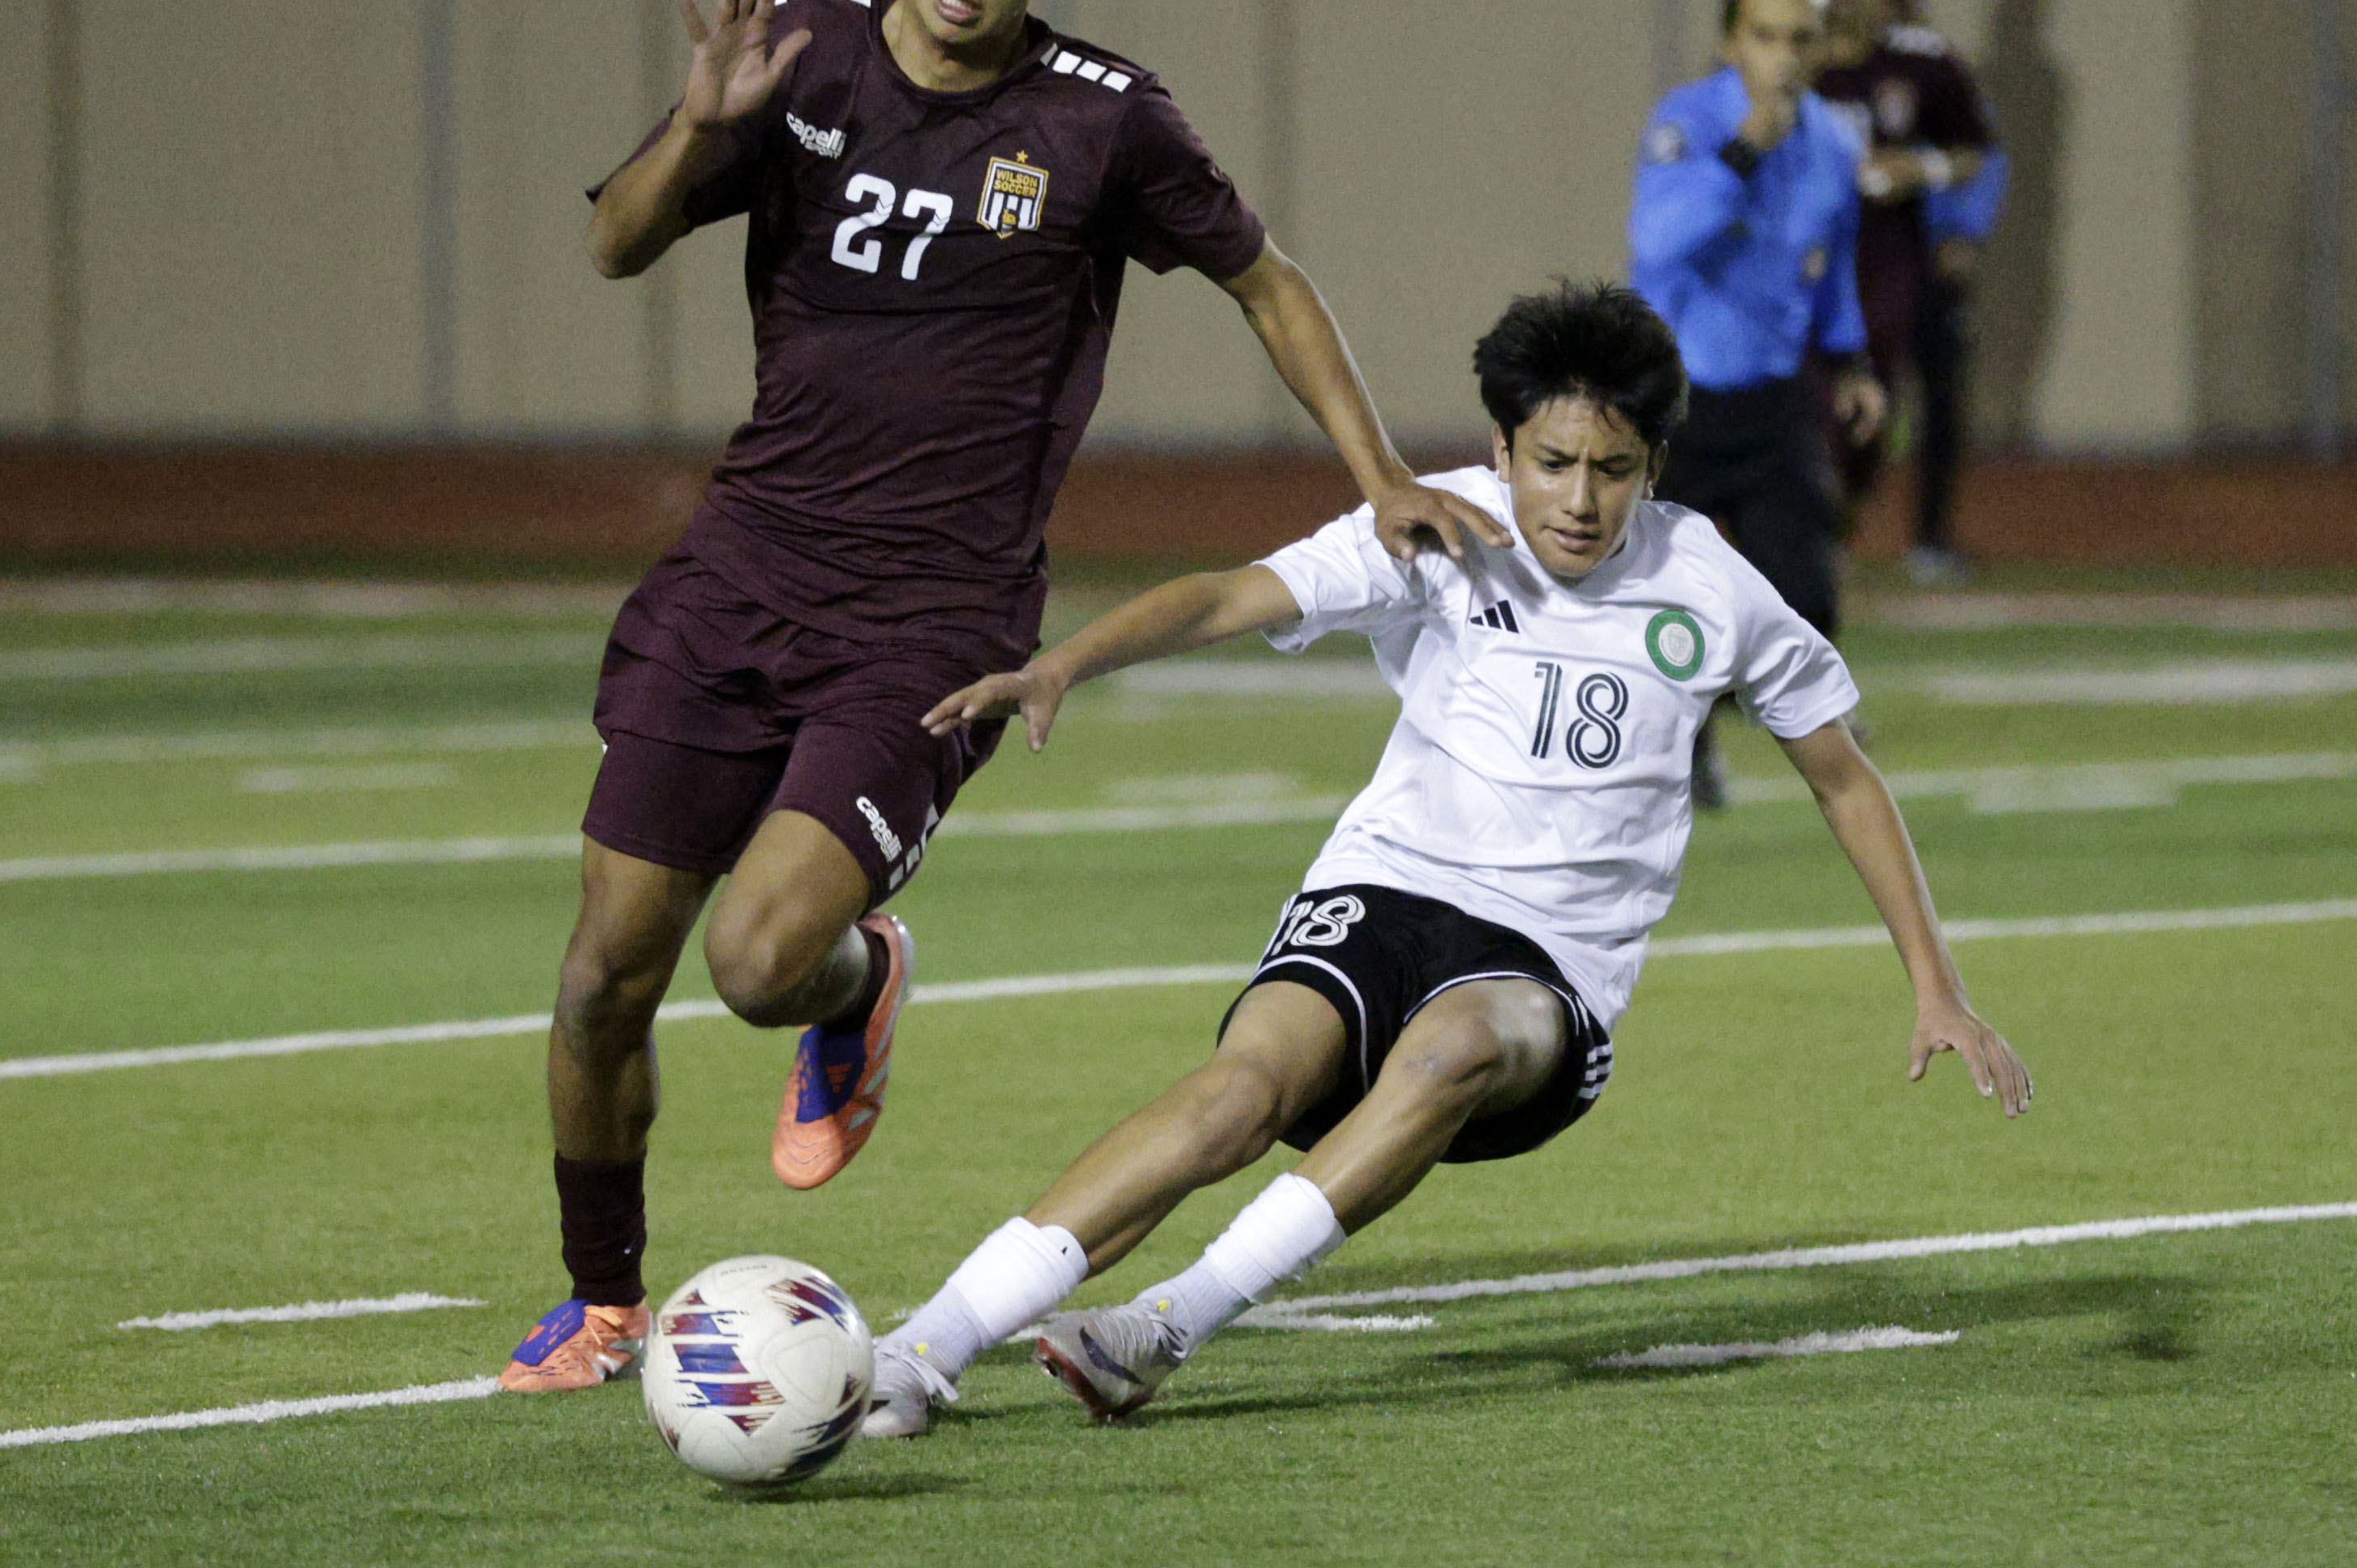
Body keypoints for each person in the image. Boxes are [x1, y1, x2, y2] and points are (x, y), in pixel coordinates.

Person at [500, 0, 1503, 1394]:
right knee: (603, 969)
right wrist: (698, 122)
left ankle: (855, 976)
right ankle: (601, 1298)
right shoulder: (800, 53)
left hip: (930, 620)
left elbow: (1265, 281)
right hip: (737, 575)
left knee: (753, 964)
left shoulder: (1100, 120)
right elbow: (613, 245)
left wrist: (1379, 473)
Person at [859, 282, 2031, 1439]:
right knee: (1235, 1097)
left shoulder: (1713, 587)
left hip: (1547, 963)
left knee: (1455, 1044)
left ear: (1654, 468)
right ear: (1500, 449)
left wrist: (1936, 987)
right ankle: (922, 1350)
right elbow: (1227, 597)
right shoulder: (1437, 527)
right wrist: (1064, 665)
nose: (1580, 500)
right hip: (1383, 888)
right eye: (1552, 463)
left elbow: (1842, 778)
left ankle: (1166, 1324)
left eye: (1613, 470)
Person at [1626, 0, 1886, 806]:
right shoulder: (1688, 123)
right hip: (1677, 395)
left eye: (1800, 39)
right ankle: (1686, 746)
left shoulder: (1833, 141)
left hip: (1774, 394)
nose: (1782, 57)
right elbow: (1657, 239)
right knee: (1666, 595)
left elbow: (1832, 264)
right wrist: (1741, 154)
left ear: (1824, 46)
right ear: (1730, 41)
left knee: (1805, 592)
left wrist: (1851, 361)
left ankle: (1795, 729)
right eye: (1765, 37)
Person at [1788, 0, 2002, 583]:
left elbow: (1977, 150)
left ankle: (1916, 534)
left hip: (1895, 262)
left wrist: (1920, 172)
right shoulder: (1780, 59)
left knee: (1892, 402)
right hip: (1800, 266)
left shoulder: (1922, 61)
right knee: (1796, 403)